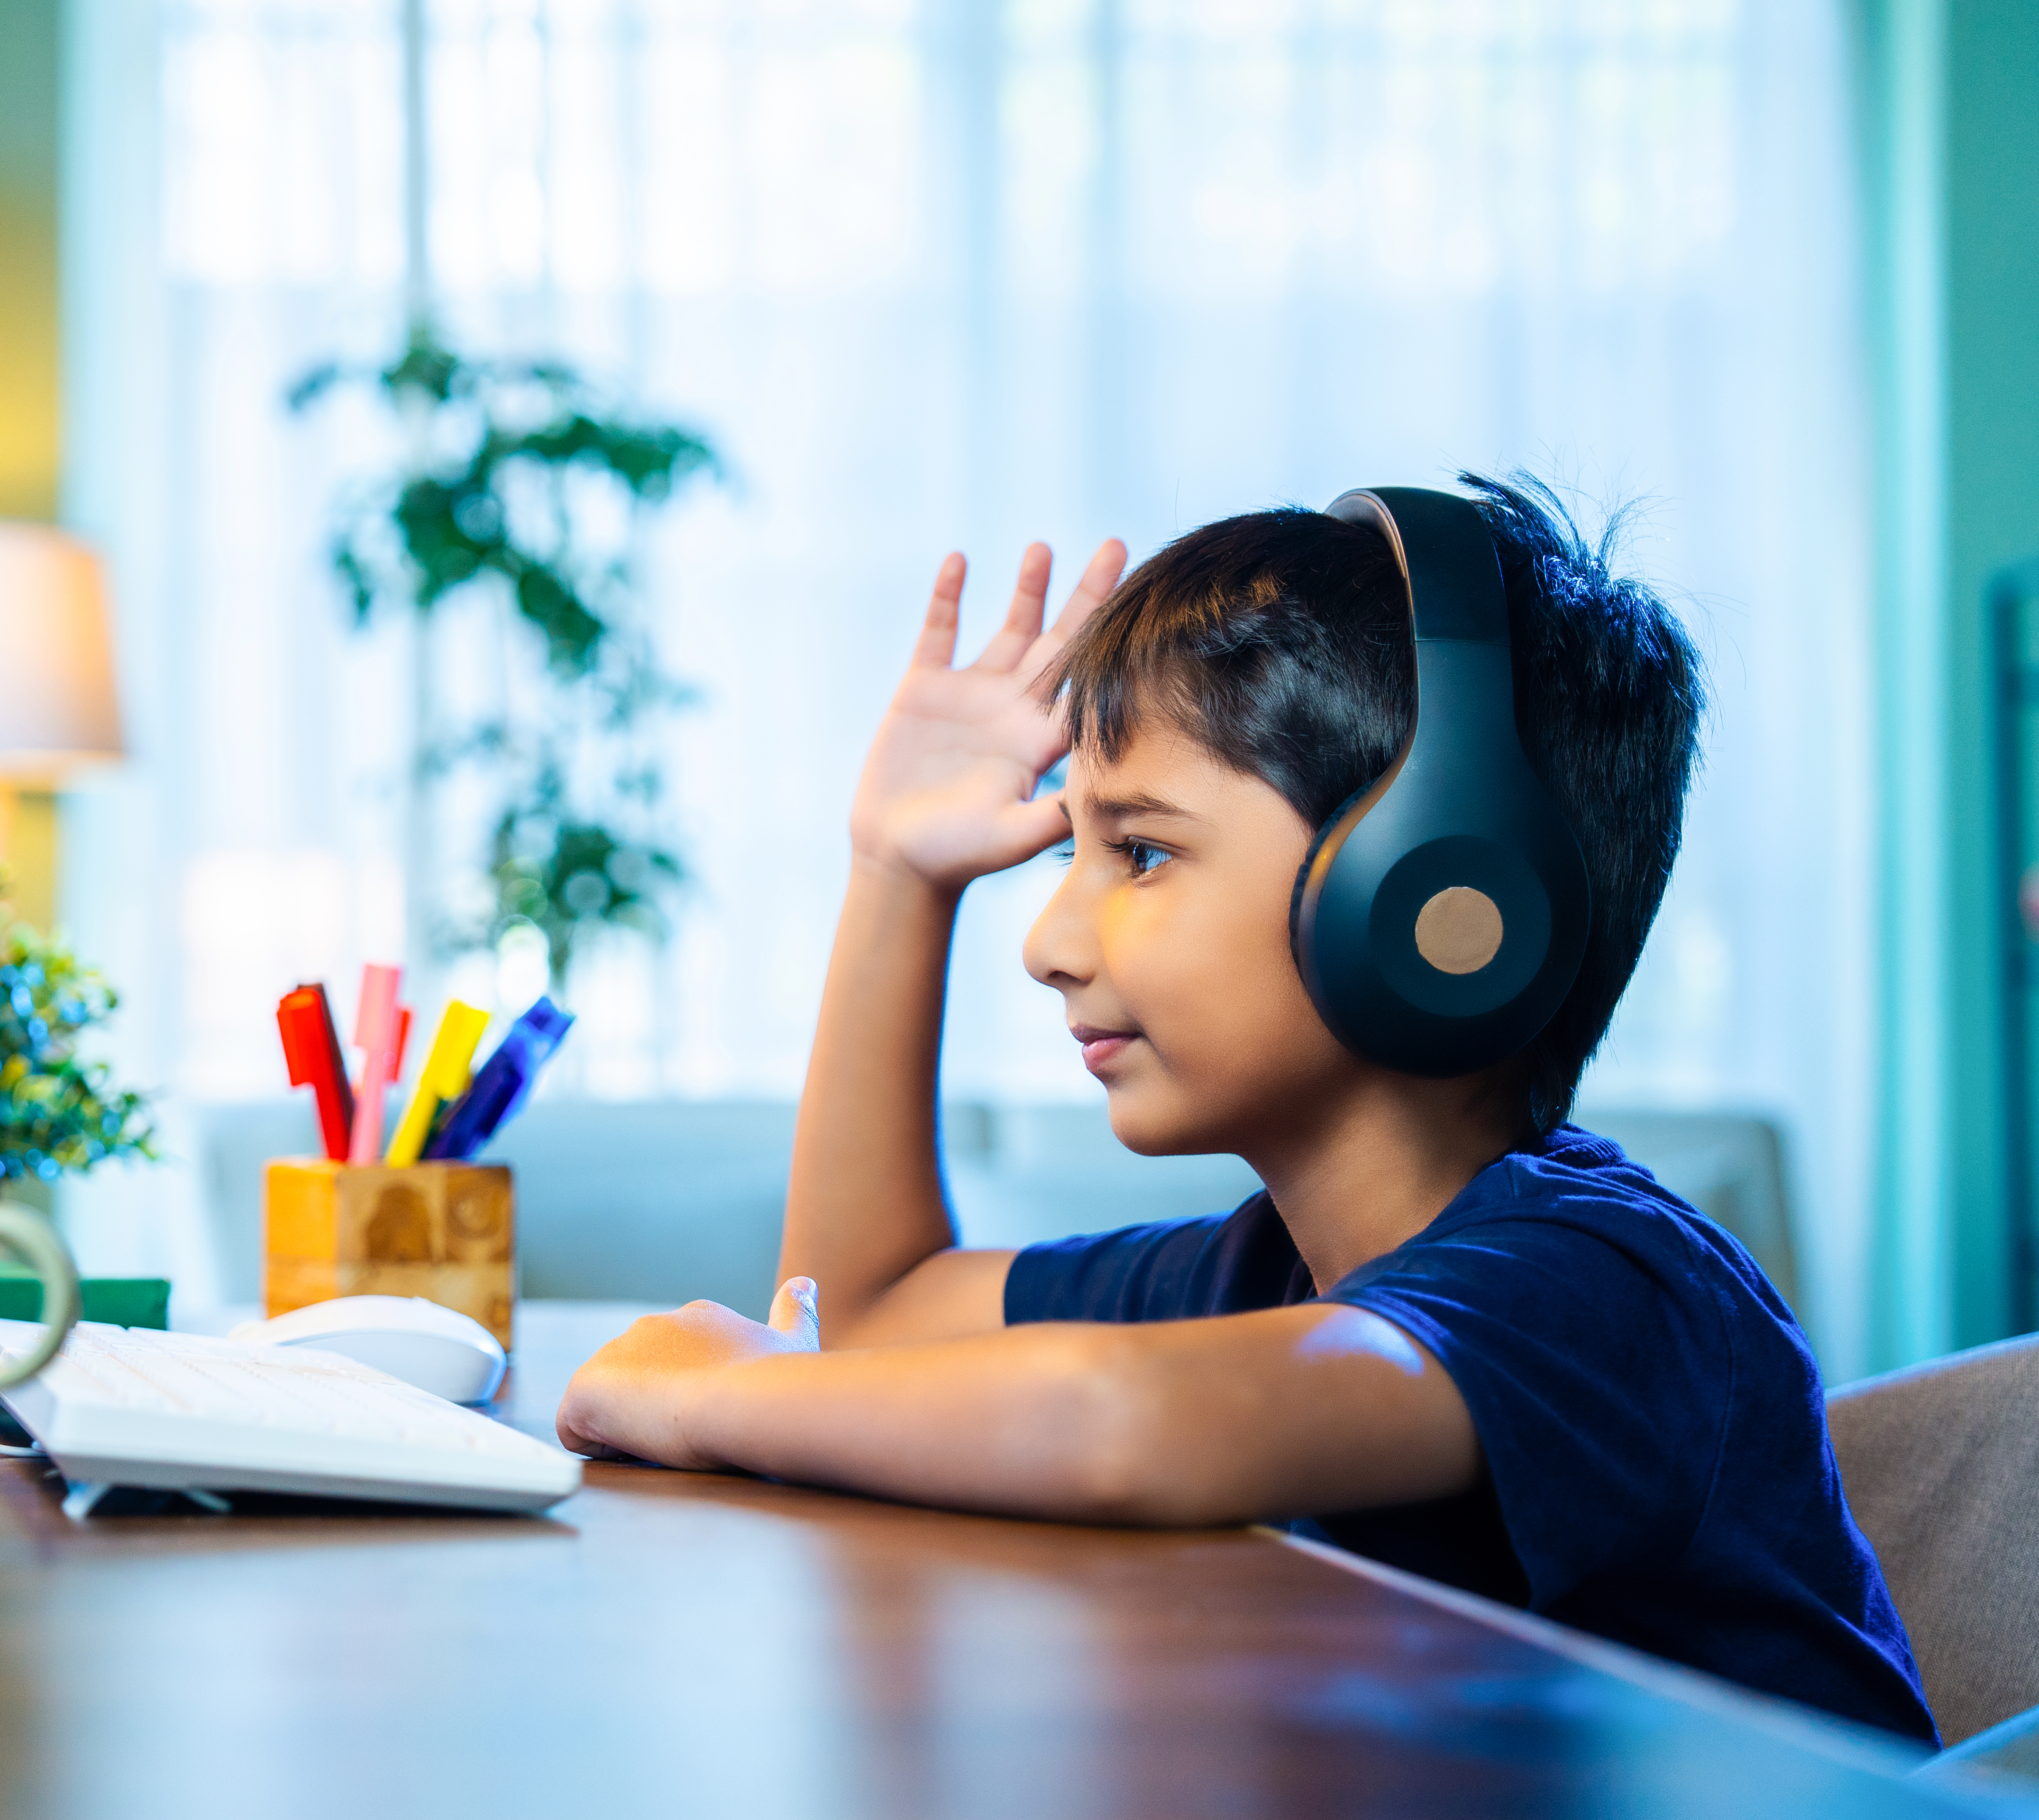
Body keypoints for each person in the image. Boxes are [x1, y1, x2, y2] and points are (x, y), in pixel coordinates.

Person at [553, 478, 1934, 1744]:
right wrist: (897, 875)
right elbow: (867, 1306)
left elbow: (1114, 1426)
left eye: (1140, 852)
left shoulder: (1601, 1291)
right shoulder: (1268, 1266)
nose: (1048, 941)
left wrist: (728, 1398)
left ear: (1430, 901)